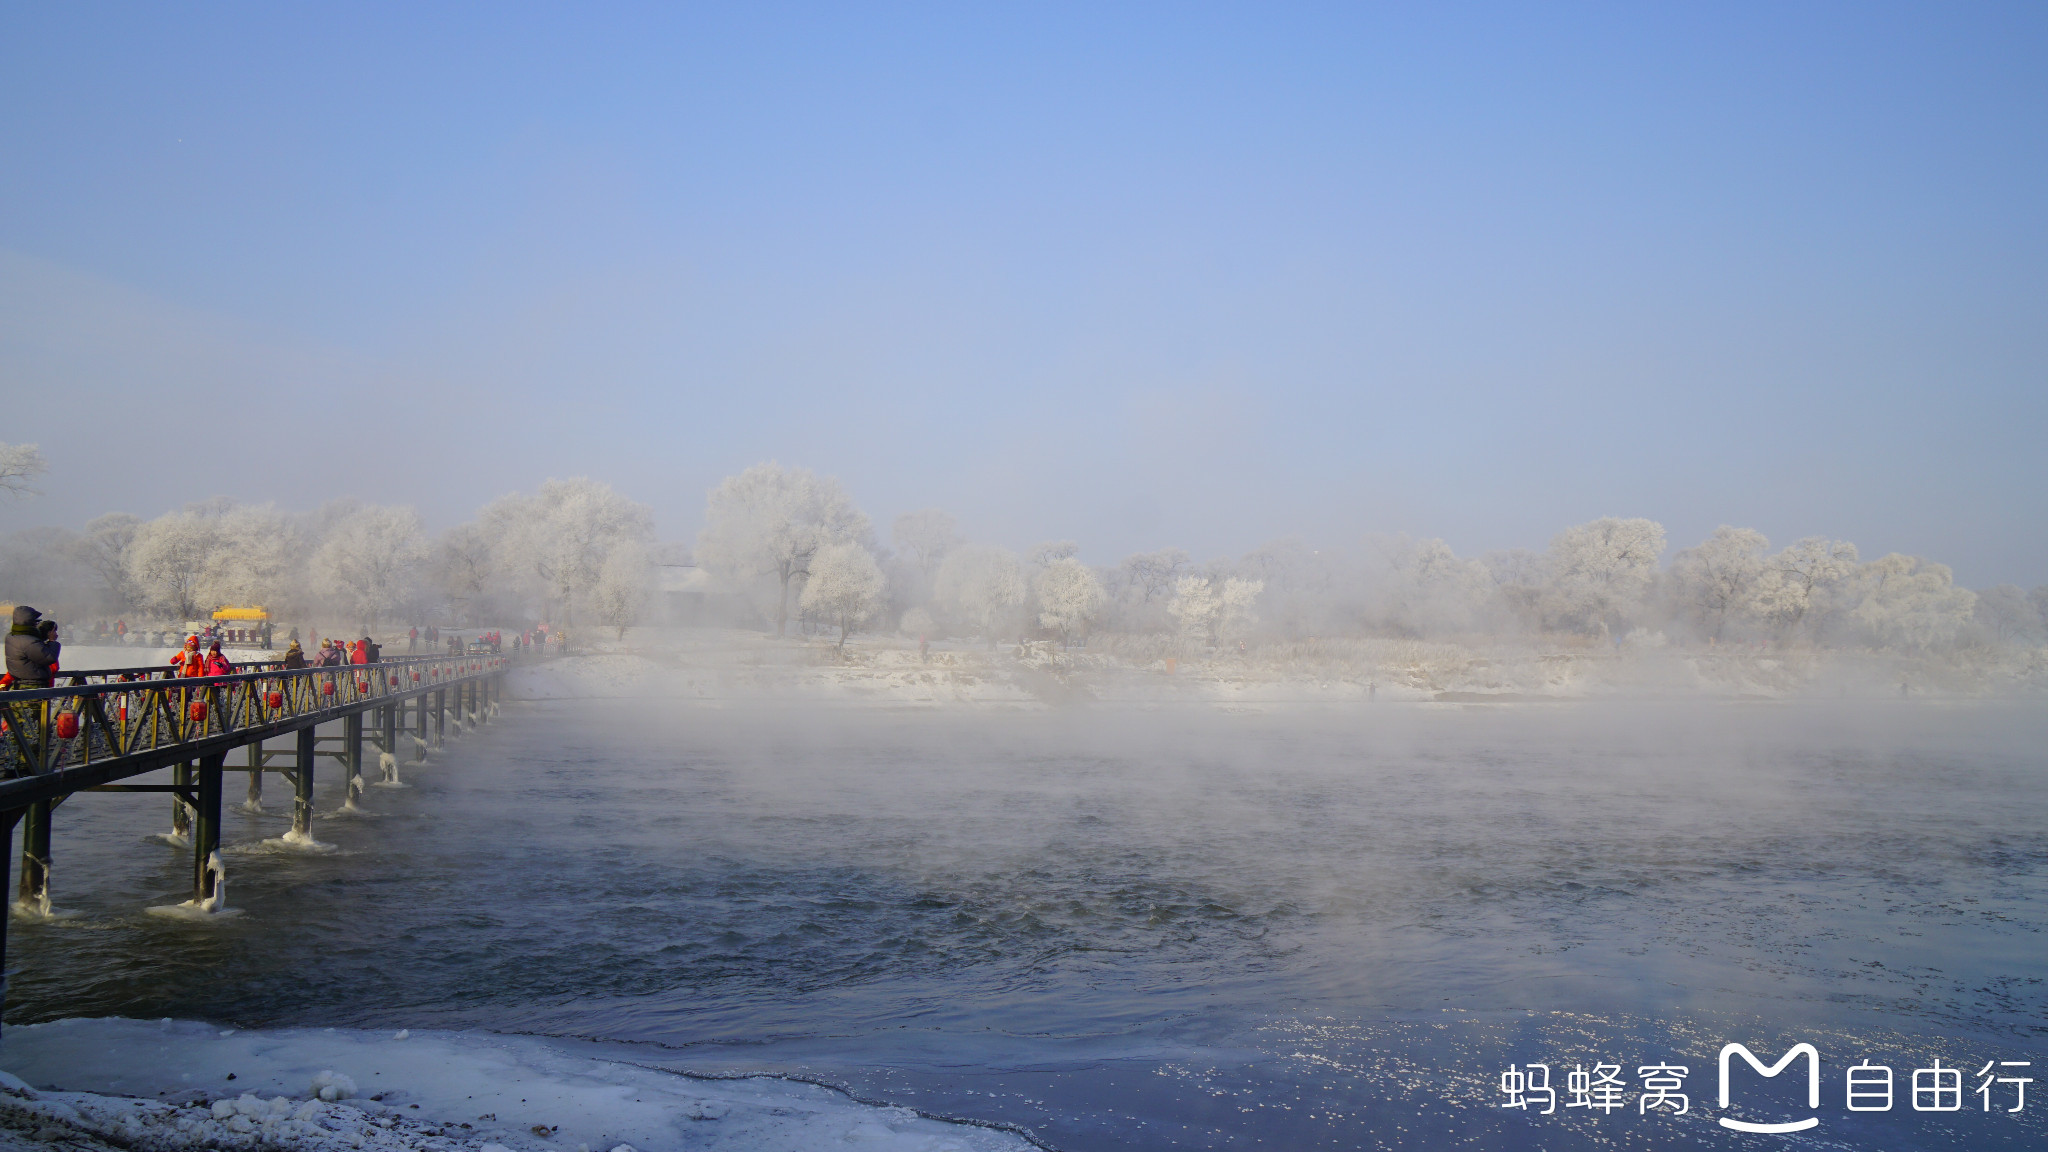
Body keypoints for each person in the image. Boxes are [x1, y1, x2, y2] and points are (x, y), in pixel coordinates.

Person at [6, 606, 56, 688]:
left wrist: (39, 637)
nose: (36, 625)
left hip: (19, 683)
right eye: (35, 622)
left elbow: (31, 651)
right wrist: (52, 641)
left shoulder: (12, 637)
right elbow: (49, 657)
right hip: (32, 686)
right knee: (35, 701)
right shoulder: (28, 641)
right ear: (28, 622)